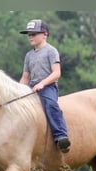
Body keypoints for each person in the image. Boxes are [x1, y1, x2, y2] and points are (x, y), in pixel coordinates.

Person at [19, 19, 71, 153]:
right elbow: (25, 77)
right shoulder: (29, 55)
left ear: (45, 34)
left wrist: (41, 83)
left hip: (48, 87)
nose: (31, 37)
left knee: (51, 105)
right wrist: (18, 91)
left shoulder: (51, 51)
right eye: (29, 35)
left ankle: (61, 136)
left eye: (34, 34)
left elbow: (57, 73)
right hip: (31, 87)